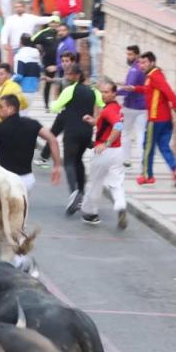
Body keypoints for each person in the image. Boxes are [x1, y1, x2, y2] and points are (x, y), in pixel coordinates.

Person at [51, 65, 104, 215]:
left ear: (76, 76)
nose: (67, 77)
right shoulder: (94, 92)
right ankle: (81, 192)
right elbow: (103, 105)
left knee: (68, 162)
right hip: (87, 131)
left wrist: (55, 100)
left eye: (69, 74)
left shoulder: (70, 90)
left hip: (72, 131)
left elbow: (55, 107)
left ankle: (74, 193)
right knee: (79, 161)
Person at [124, 52, 176, 186]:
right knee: (163, 146)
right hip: (165, 119)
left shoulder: (155, 76)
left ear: (152, 63)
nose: (141, 66)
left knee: (148, 147)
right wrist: (134, 88)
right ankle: (175, 169)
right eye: (140, 63)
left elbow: (168, 90)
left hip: (155, 119)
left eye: (144, 63)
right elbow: (149, 90)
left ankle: (147, 176)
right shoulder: (152, 76)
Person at [0, 93, 62, 194]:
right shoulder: (32, 124)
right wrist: (57, 166)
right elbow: (53, 140)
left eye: (1, 106)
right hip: (27, 180)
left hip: (7, 180)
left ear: (11, 109)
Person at [81, 81, 127, 229]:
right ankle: (120, 205)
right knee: (116, 183)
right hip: (118, 151)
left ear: (114, 93)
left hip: (104, 151)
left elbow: (118, 126)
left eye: (107, 92)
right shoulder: (116, 108)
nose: (103, 95)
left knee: (95, 182)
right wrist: (94, 121)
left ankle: (90, 213)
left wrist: (106, 143)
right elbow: (108, 124)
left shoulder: (108, 110)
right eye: (102, 92)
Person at [118, 45, 147, 168]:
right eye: (127, 54)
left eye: (130, 54)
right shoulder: (143, 67)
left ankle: (126, 159)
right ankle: (142, 162)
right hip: (143, 106)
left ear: (136, 55)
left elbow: (129, 88)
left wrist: (116, 92)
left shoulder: (134, 69)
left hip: (131, 106)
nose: (128, 57)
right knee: (140, 134)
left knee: (125, 132)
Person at [0, 0, 49, 65]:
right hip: (15, 47)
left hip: (28, 47)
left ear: (24, 8)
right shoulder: (10, 19)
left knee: (28, 65)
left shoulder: (30, 17)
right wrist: (4, 42)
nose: (18, 8)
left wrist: (53, 17)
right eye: (16, 7)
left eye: (20, 7)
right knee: (16, 67)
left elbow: (42, 20)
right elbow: (5, 31)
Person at [87, 0, 106, 82]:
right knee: (93, 53)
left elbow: (104, 16)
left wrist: (98, 28)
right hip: (93, 28)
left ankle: (95, 77)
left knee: (96, 53)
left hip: (98, 30)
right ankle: (94, 76)